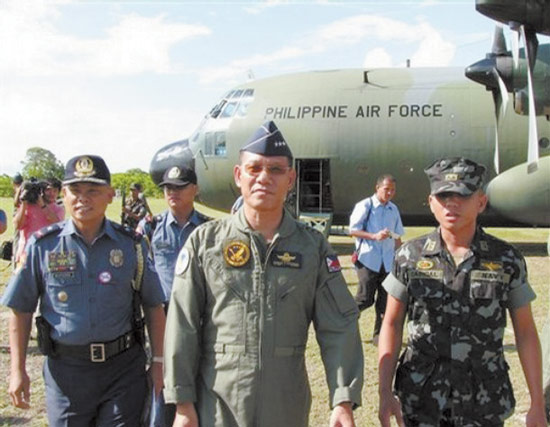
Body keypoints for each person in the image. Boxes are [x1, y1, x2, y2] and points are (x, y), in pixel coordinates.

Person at [163, 121, 363, 427]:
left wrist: (343, 398)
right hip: (218, 403)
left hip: (285, 403)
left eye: (275, 170)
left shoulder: (312, 248)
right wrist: (182, 403)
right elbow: (183, 324)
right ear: (238, 175)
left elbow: (338, 326)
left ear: (291, 179)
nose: (263, 178)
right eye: (254, 168)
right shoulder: (206, 242)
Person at [378, 157, 547, 427]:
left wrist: (537, 404)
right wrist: (384, 392)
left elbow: (525, 332)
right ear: (431, 202)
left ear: (481, 201)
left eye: (462, 195)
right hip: (421, 401)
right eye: (443, 196)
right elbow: (392, 322)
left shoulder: (507, 259)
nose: (452, 203)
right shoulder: (408, 256)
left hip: (483, 403)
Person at [2, 154, 167, 426]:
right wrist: (17, 370)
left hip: (122, 372)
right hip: (66, 374)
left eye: (93, 191)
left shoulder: (131, 245)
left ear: (110, 195)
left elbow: (153, 305)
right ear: (62, 196)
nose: (83, 199)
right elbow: (20, 309)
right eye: (75, 191)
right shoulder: (43, 247)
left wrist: (159, 362)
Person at [137, 164, 207, 426]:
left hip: (198, 316)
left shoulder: (208, 230)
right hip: (163, 317)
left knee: (197, 378)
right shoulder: (150, 227)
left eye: (179, 187)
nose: (172, 192)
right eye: (168, 188)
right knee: (162, 380)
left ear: (195, 189)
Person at [349, 174, 403, 344]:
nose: (389, 193)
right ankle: (344, 324)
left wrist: (400, 254)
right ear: (377, 188)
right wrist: (374, 236)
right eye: (386, 189)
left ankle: (379, 336)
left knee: (384, 301)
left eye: (393, 190)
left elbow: (397, 235)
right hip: (368, 260)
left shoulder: (393, 209)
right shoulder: (365, 205)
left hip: (387, 263)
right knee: (365, 298)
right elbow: (353, 230)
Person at [13, 178, 65, 267]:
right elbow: (18, 225)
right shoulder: (28, 207)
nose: (51, 193)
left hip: (50, 253)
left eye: (55, 191)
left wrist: (42, 205)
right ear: (42, 191)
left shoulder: (59, 209)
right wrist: (24, 204)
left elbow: (56, 223)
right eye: (48, 190)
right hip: (26, 253)